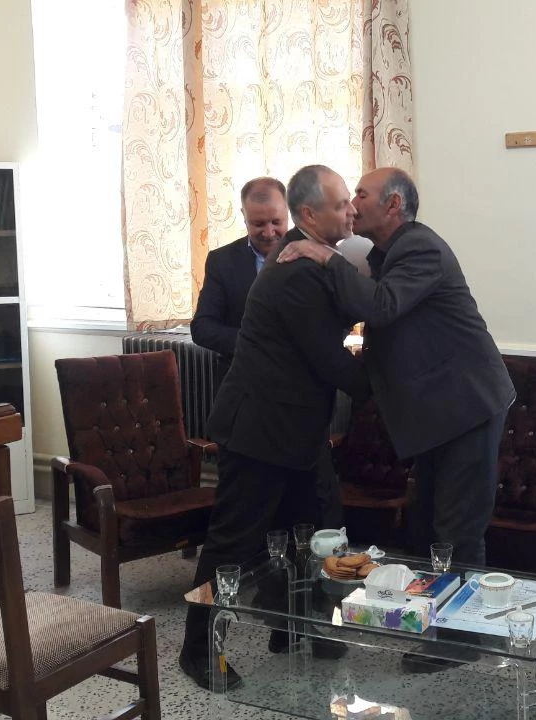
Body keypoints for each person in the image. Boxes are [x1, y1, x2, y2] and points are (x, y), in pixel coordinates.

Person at [178, 164, 371, 691]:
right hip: (259, 432)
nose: (351, 211)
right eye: (340, 205)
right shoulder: (295, 271)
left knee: (310, 532)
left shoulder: (311, 258)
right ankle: (198, 650)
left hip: (298, 432)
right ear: (311, 214)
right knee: (232, 545)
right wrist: (387, 387)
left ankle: (294, 628)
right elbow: (330, 359)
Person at [277, 168, 515, 572]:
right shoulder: (384, 254)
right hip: (438, 415)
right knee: (425, 527)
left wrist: (326, 256)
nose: (352, 205)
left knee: (457, 534)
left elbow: (381, 306)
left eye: (361, 195)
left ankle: (465, 614)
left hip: (467, 408)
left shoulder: (421, 247)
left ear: (393, 204)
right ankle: (430, 608)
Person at [191, 176, 289, 381]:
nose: (269, 232)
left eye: (276, 222)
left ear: (288, 211)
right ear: (244, 216)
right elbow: (202, 327)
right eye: (258, 224)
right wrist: (256, 343)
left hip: (300, 384)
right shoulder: (222, 261)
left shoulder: (313, 254)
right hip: (241, 382)